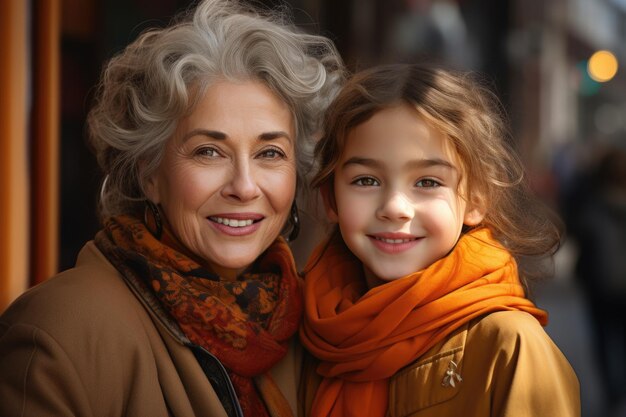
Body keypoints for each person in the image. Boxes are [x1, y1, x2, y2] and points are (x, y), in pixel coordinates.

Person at [0, 1, 343, 416]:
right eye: (209, 152)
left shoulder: (321, 329)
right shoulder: (61, 330)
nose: (245, 186)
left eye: (270, 152)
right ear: (149, 173)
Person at [299, 64, 580, 417]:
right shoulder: (305, 333)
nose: (394, 208)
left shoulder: (509, 346)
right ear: (330, 198)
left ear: (476, 198)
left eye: (428, 182)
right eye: (366, 181)